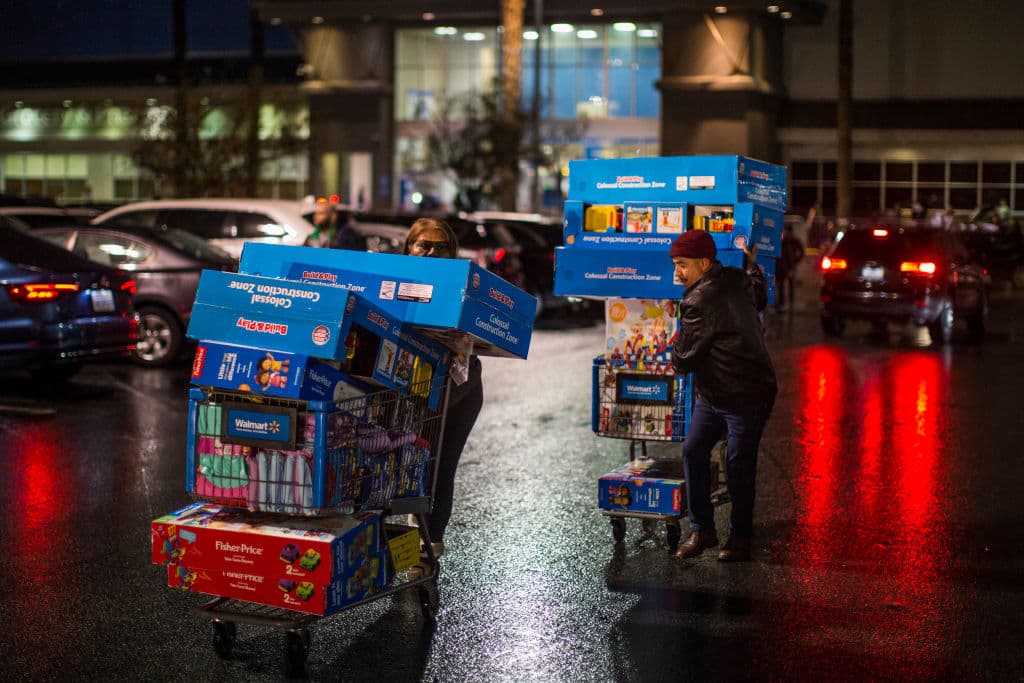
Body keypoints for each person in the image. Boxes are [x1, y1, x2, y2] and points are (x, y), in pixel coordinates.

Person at [668, 230, 777, 562]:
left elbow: (682, 361)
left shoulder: (698, 301)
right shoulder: (734, 277)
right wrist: (751, 261)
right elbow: (759, 293)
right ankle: (703, 530)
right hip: (716, 394)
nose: (676, 272)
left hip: (747, 394)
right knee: (694, 450)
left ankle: (740, 538)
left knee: (738, 464)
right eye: (675, 264)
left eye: (682, 265)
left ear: (703, 263)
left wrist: (675, 341)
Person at [403, 217, 484, 573]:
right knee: (403, 467)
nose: (433, 253)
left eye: (441, 247)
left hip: (458, 386)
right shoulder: (394, 283)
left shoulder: (465, 287)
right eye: (424, 246)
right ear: (409, 248)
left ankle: (427, 549)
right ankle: (408, 539)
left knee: (437, 467)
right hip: (409, 387)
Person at [775, 224, 805, 310]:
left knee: (790, 284)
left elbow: (801, 252)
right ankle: (781, 303)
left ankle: (790, 303)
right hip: (782, 267)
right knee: (781, 285)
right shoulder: (782, 241)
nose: (785, 233)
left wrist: (796, 261)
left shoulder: (794, 241)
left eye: (786, 231)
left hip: (790, 266)